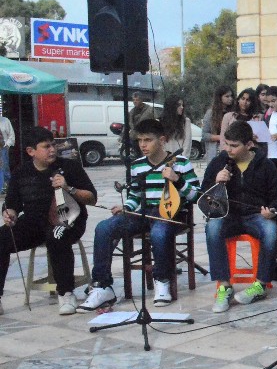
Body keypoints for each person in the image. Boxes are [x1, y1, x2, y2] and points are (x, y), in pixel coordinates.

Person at [83, 119, 200, 310]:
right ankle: (103, 286)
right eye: (140, 140)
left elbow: (197, 196)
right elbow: (134, 196)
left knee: (159, 233)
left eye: (148, 140)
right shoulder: (138, 166)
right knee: (104, 228)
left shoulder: (181, 163)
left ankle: (162, 281)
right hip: (144, 212)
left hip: (172, 214)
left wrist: (177, 180)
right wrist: (126, 208)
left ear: (162, 140)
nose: (143, 145)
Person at [1, 126, 96, 316]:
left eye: (53, 145)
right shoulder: (21, 173)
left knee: (56, 236)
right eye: (46, 147)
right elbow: (12, 204)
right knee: (1, 238)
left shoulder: (69, 167)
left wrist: (69, 188)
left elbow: (92, 198)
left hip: (68, 220)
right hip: (33, 223)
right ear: (31, 151)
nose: (52, 150)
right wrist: (9, 214)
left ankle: (66, 292)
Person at [202, 121, 277, 312]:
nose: (228, 149)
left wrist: (272, 209)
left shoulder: (265, 165)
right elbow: (203, 196)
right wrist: (216, 182)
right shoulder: (218, 162)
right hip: (227, 214)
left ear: (249, 145)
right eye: (227, 144)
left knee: (271, 229)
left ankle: (260, 285)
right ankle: (224, 285)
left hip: (255, 215)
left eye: (234, 146)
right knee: (212, 227)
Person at [201, 86, 234, 157]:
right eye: (227, 96)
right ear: (220, 97)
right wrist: (221, 137)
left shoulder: (234, 113)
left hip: (232, 150)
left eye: (231, 96)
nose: (230, 99)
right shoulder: (211, 113)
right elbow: (204, 135)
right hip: (215, 151)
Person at [127, 92, 156, 157]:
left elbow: (156, 121)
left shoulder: (150, 110)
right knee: (138, 157)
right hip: (135, 138)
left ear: (141, 100)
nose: (135, 102)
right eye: (133, 100)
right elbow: (130, 123)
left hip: (146, 137)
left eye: (137, 100)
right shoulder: (132, 111)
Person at [0, 112, 15, 194]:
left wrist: (7, 145)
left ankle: (7, 188)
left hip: (3, 148)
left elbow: (11, 135)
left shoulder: (5, 121)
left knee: (4, 168)